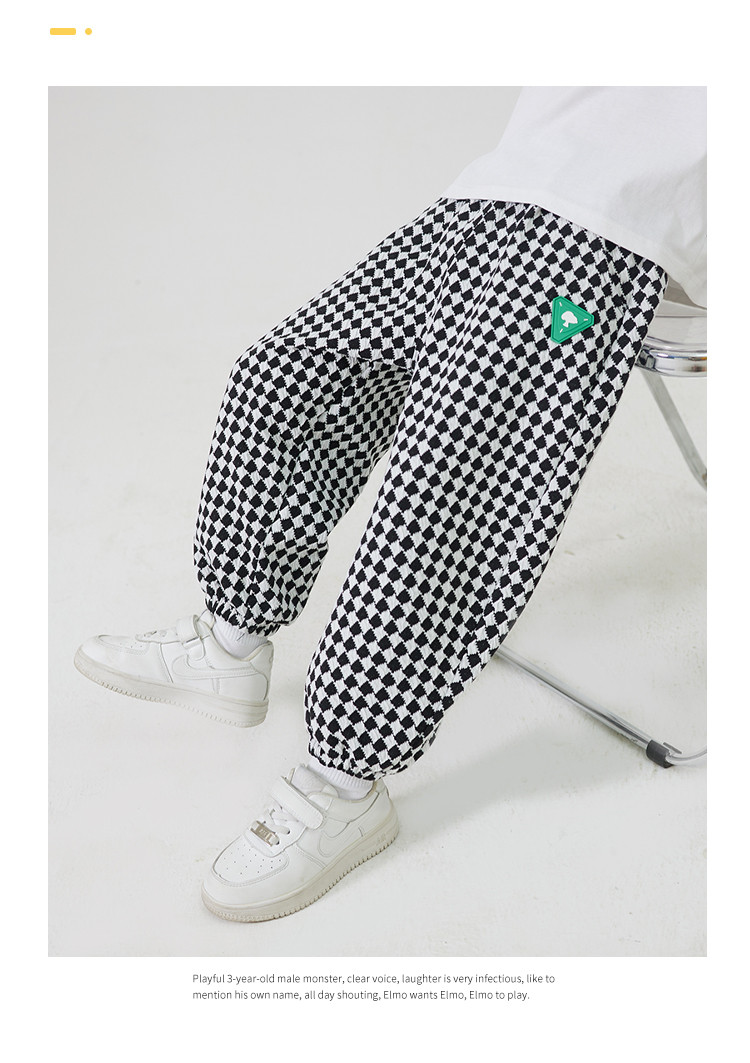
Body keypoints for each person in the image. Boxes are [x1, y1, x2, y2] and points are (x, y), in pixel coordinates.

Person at [74, 87, 707, 922]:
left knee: (452, 482)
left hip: (618, 231)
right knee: (284, 375)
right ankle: (230, 640)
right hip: (501, 187)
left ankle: (342, 784)